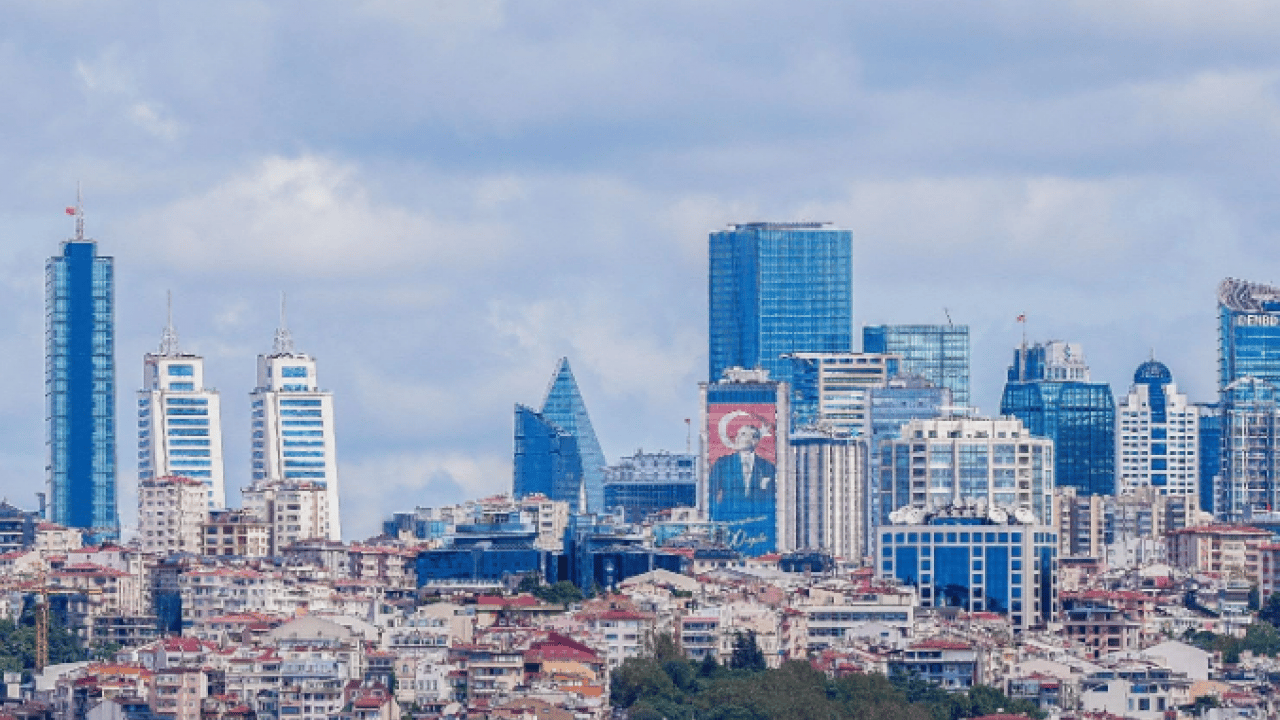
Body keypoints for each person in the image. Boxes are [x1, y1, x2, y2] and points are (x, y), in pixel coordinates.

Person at [709, 424, 776, 508]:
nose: (737, 438)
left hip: (759, 518)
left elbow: (773, 497)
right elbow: (710, 492)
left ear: (755, 440)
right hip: (729, 518)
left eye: (743, 434)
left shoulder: (768, 467)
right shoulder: (722, 464)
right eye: (737, 435)